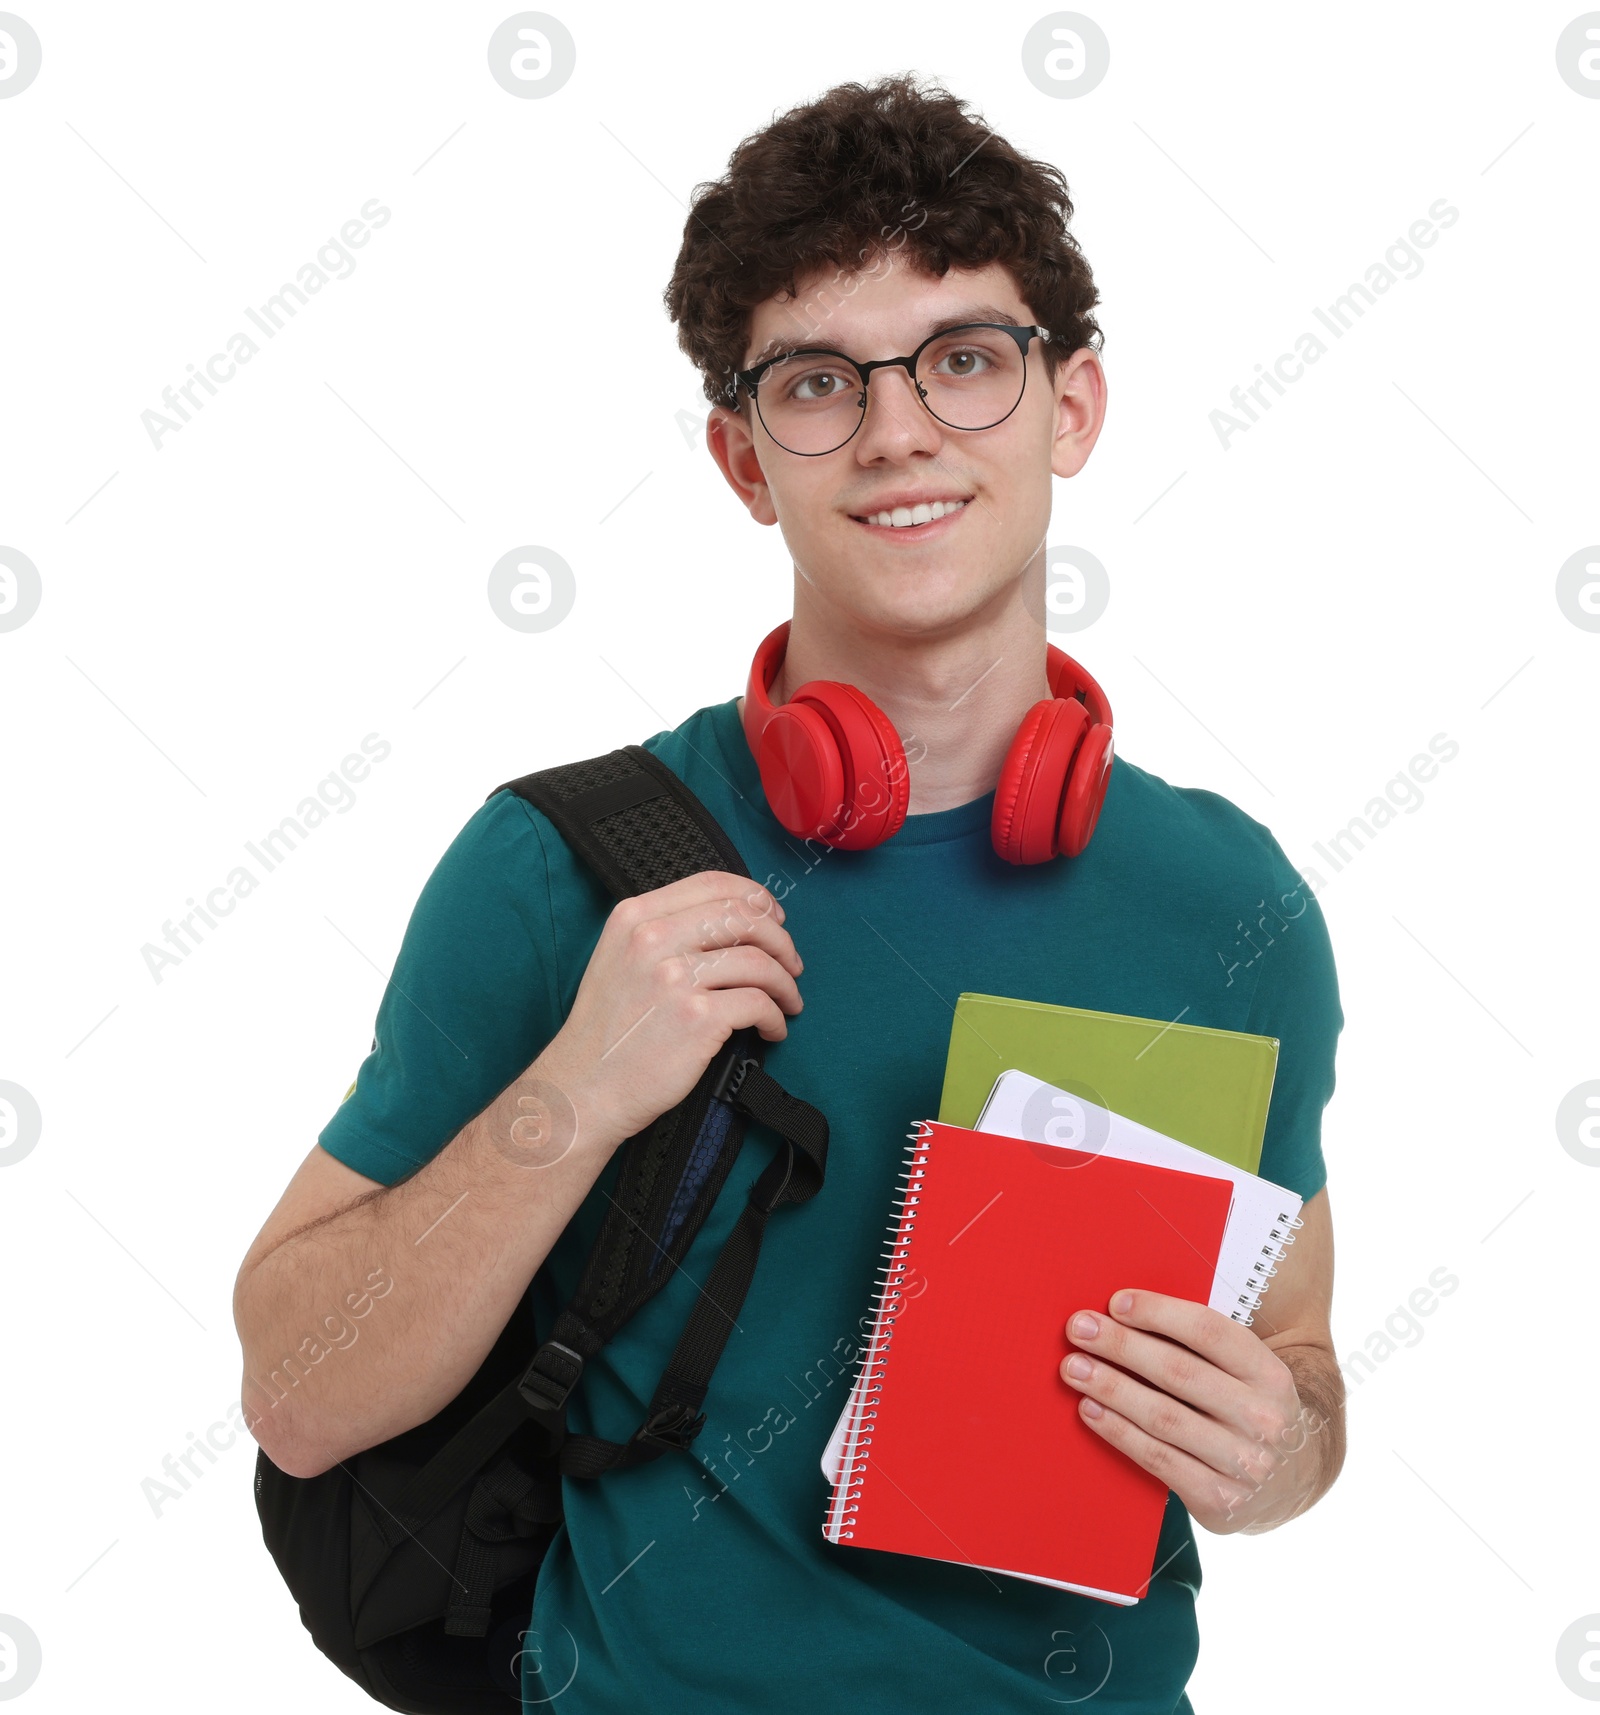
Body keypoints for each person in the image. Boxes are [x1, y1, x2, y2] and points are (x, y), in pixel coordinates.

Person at [234, 75, 1345, 1713]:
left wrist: (1273, 1455)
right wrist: (575, 1092)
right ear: (744, 459)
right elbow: (299, 1393)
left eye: (965, 359)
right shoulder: (563, 864)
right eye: (821, 383)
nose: (900, 431)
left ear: (1075, 406)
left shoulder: (1228, 901)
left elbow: (1304, 1373)